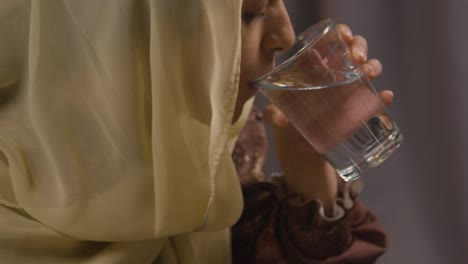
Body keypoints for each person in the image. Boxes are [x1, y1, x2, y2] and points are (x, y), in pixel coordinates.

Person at [0, 0, 391, 263]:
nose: (286, 35)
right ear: (131, 33)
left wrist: (308, 170)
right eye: (251, 12)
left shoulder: (216, 172)